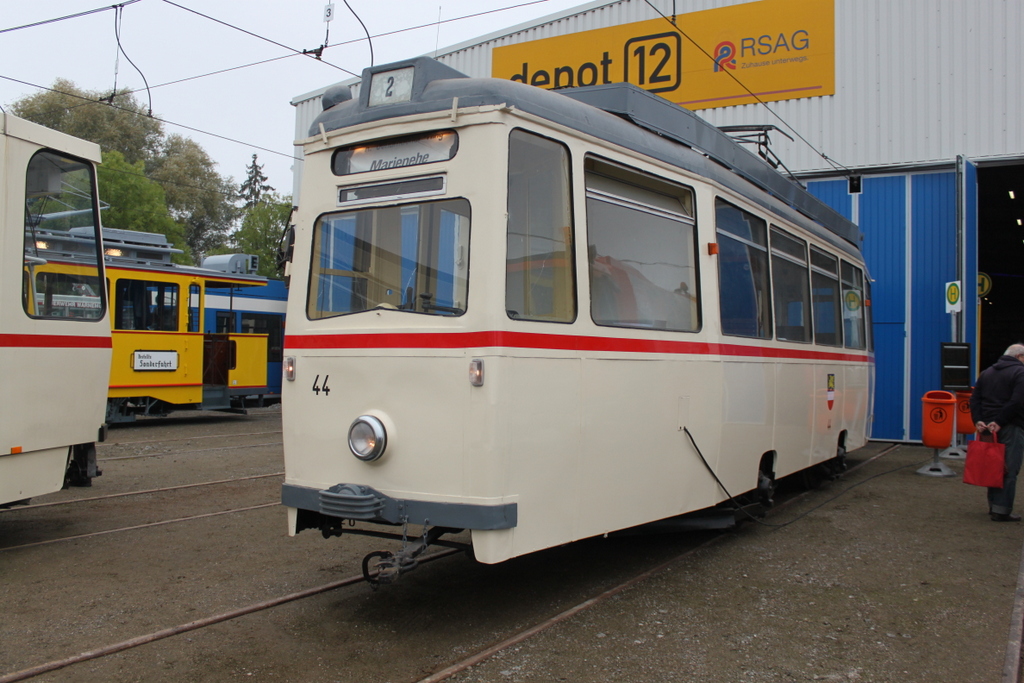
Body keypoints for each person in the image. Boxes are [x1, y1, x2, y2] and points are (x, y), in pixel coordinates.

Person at [970, 343, 1024, 521]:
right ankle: (1002, 511)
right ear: (1019, 357)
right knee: (1009, 467)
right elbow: (1017, 401)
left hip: (986, 428)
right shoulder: (1019, 373)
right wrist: (1000, 421)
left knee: (993, 465)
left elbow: (975, 399)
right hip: (1010, 426)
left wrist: (978, 420)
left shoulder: (987, 373)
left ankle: (994, 505)